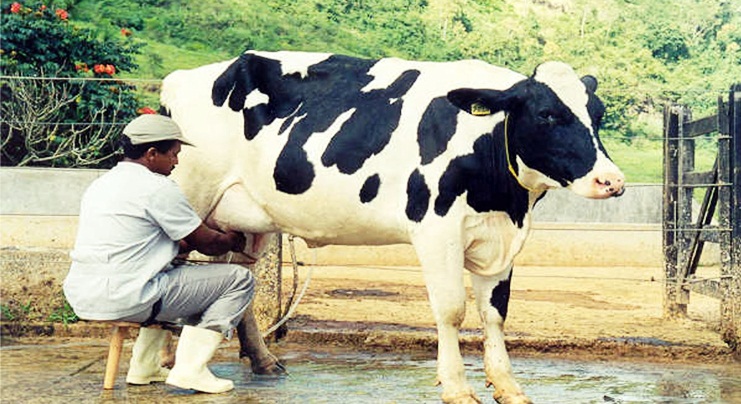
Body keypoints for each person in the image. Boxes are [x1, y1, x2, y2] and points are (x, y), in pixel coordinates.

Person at [63, 114, 253, 394]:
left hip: (84, 294)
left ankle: (144, 366)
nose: (176, 162)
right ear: (152, 154)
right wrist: (233, 239)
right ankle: (191, 370)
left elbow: (143, 243)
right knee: (238, 280)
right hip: (127, 296)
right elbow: (208, 245)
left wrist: (181, 248)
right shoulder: (158, 188)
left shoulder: (101, 184)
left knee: (172, 272)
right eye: (174, 154)